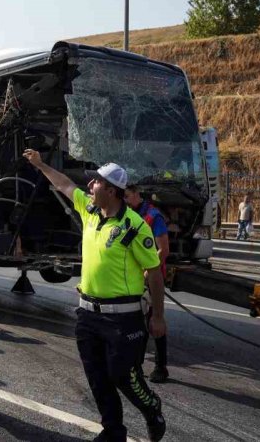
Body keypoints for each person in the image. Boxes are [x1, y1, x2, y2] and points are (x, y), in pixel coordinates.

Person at [24, 151, 167, 442]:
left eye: (96, 183)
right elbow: (64, 185)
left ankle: (151, 407)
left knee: (123, 376)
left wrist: (159, 317)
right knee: (97, 377)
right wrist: (40, 165)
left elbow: (154, 273)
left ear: (112, 191)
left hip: (123, 319)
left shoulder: (135, 228)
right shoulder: (89, 211)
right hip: (88, 316)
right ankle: (113, 430)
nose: (90, 186)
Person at [125, 185, 170, 384]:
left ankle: (161, 367)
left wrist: (146, 271)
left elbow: (163, 250)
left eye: (126, 196)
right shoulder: (127, 213)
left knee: (154, 322)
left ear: (137, 194)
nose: (123, 199)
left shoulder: (153, 217)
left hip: (150, 278)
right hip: (133, 278)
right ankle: (136, 364)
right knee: (137, 322)